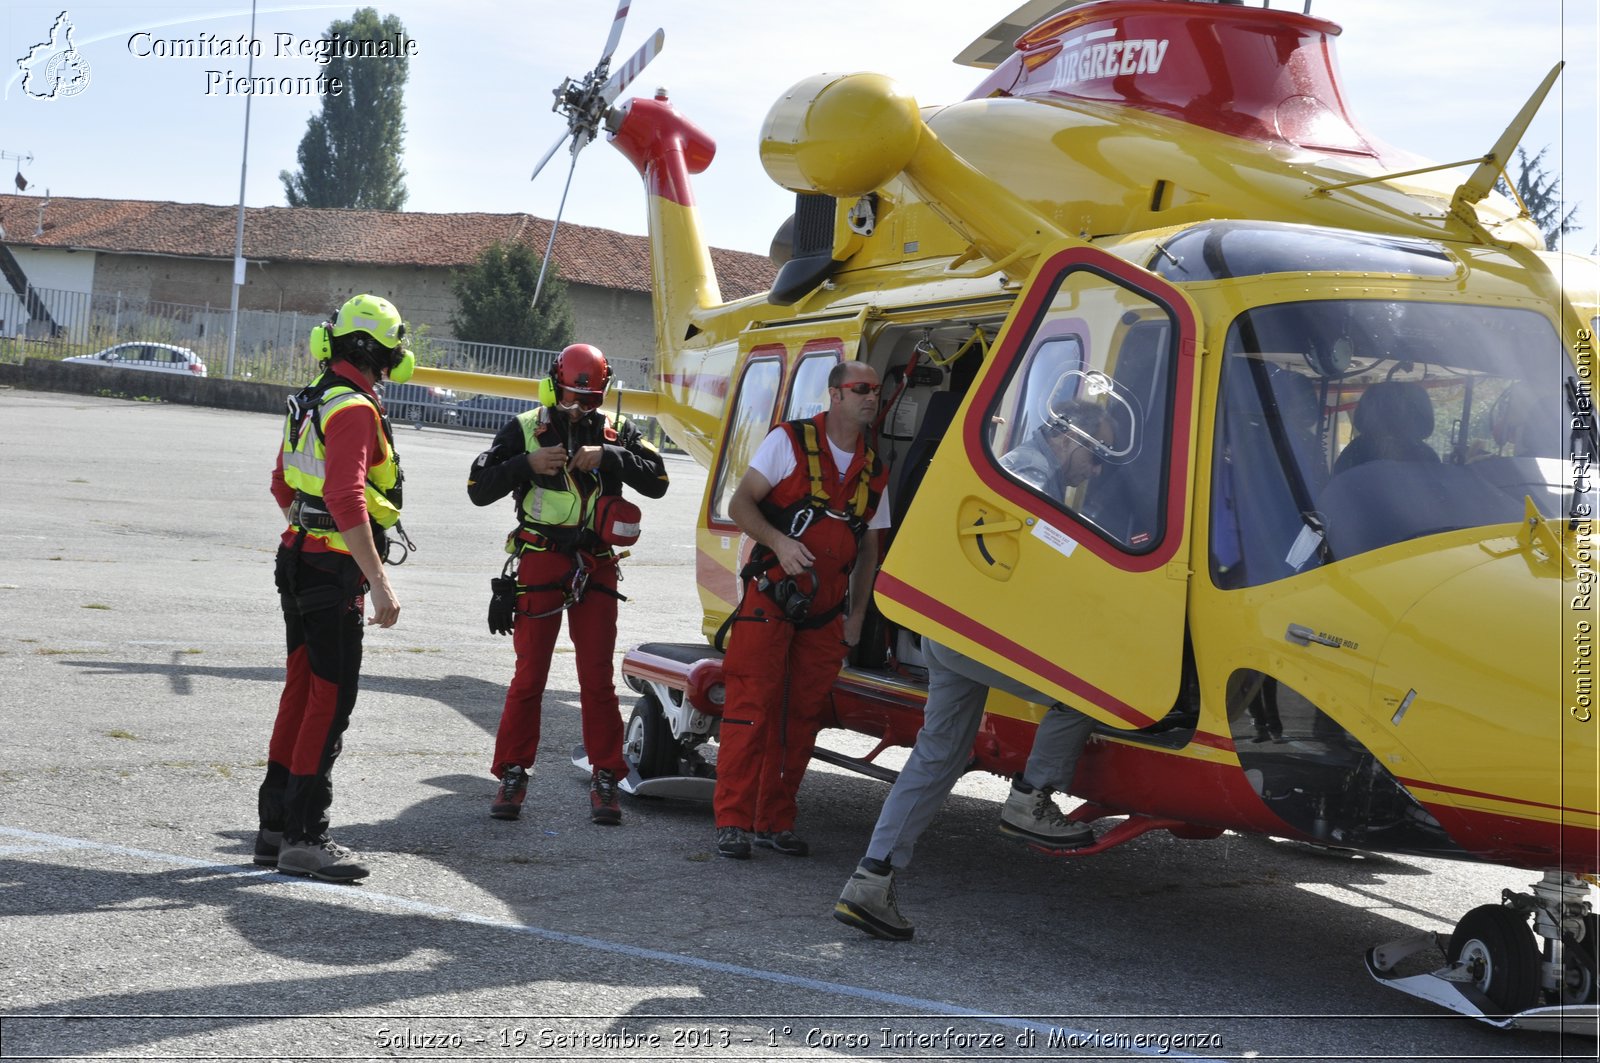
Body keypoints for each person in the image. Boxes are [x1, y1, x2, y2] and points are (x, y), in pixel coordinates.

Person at [833, 402, 1116, 941]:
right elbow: (1032, 568)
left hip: (951, 632)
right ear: (1070, 441)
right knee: (1088, 693)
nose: (1095, 470)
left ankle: (871, 880)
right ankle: (1030, 800)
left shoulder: (1016, 462)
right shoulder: (1035, 477)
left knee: (938, 756)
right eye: (1096, 455)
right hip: (976, 635)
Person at [467, 343, 669, 826]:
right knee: (529, 674)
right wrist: (526, 465)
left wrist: (611, 456)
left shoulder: (615, 433)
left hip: (595, 564)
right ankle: (512, 772)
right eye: (573, 398)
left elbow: (659, 481)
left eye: (591, 400)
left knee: (596, 678)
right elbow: (478, 489)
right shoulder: (522, 429)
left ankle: (606, 777)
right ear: (554, 384)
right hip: (539, 559)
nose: (580, 409)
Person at [256, 294, 414, 883]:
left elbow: (282, 483)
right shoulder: (353, 411)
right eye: (395, 343)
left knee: (301, 690)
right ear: (375, 349)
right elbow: (348, 498)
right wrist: (379, 582)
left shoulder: (311, 400)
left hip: (296, 558)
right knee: (331, 699)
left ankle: (274, 829)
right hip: (329, 571)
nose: (402, 353)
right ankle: (305, 836)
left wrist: (306, 524)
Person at [713, 361, 890, 860]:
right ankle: (732, 820)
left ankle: (774, 820)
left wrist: (855, 618)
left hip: (824, 615)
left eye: (876, 390)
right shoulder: (788, 442)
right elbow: (740, 503)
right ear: (834, 394)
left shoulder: (874, 470)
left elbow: (869, 550)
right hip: (770, 600)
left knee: (801, 719)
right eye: (861, 388)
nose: (871, 397)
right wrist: (778, 542)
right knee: (750, 710)